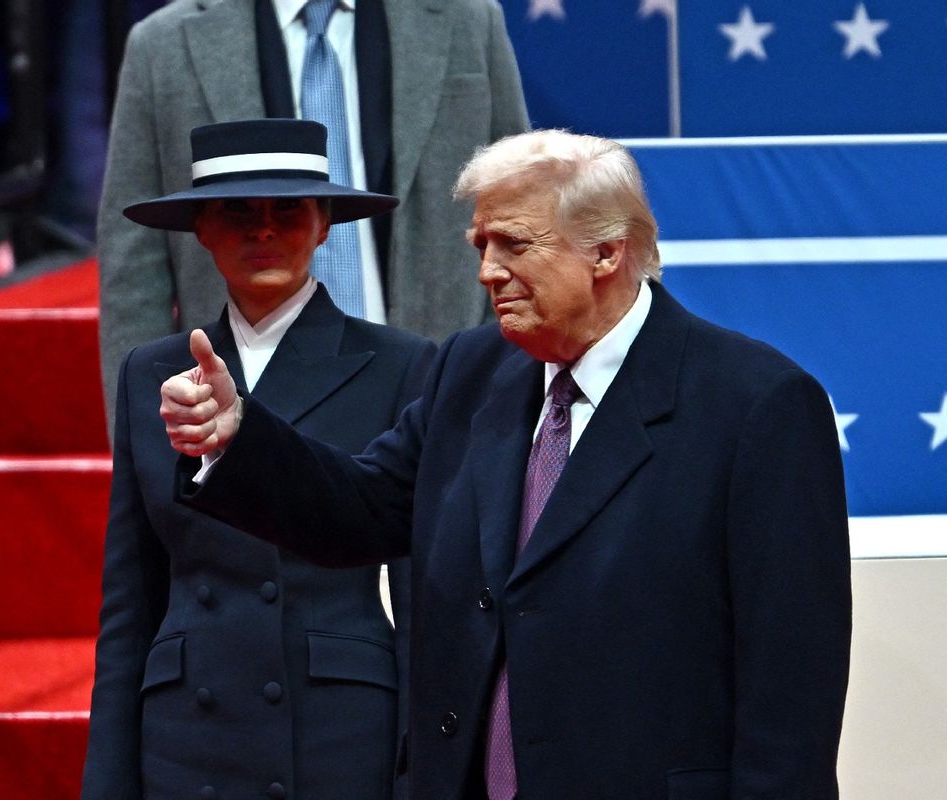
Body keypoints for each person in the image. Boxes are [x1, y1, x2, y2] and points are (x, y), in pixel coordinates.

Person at [160, 129, 853, 799]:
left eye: (514, 245)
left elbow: (791, 689)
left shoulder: (756, 406)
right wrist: (237, 435)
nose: (489, 270)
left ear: (607, 252)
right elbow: (362, 509)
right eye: (481, 244)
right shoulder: (471, 367)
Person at [81, 118, 436, 800]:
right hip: (189, 739)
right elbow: (130, 598)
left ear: (326, 223)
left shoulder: (402, 364)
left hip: (339, 732)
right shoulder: (150, 371)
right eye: (237, 211)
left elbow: (422, 594)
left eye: (287, 210)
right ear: (201, 230)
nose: (263, 230)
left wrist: (418, 773)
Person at [96, 0, 529, 430]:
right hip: (235, 421)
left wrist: (508, 414)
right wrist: (150, 445)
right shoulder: (161, 42)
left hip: (442, 403)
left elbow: (522, 212)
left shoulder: (469, 18)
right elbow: (133, 265)